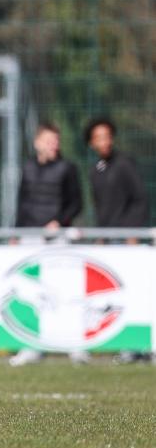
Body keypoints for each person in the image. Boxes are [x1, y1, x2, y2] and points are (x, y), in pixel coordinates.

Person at [9, 122, 86, 367]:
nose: (54, 145)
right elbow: (22, 201)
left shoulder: (68, 168)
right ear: (37, 142)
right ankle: (32, 345)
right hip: (30, 236)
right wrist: (16, 232)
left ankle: (75, 346)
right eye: (49, 140)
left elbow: (77, 203)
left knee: (64, 289)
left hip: (58, 237)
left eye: (57, 141)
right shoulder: (29, 167)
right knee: (35, 292)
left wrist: (59, 222)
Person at [85, 117, 152, 364]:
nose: (103, 142)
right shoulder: (96, 170)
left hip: (127, 240)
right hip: (108, 238)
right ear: (91, 143)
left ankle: (138, 346)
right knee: (114, 296)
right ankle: (125, 345)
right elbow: (99, 207)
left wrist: (134, 233)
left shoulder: (124, 164)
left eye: (107, 136)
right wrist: (100, 236)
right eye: (98, 138)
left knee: (133, 292)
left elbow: (140, 199)